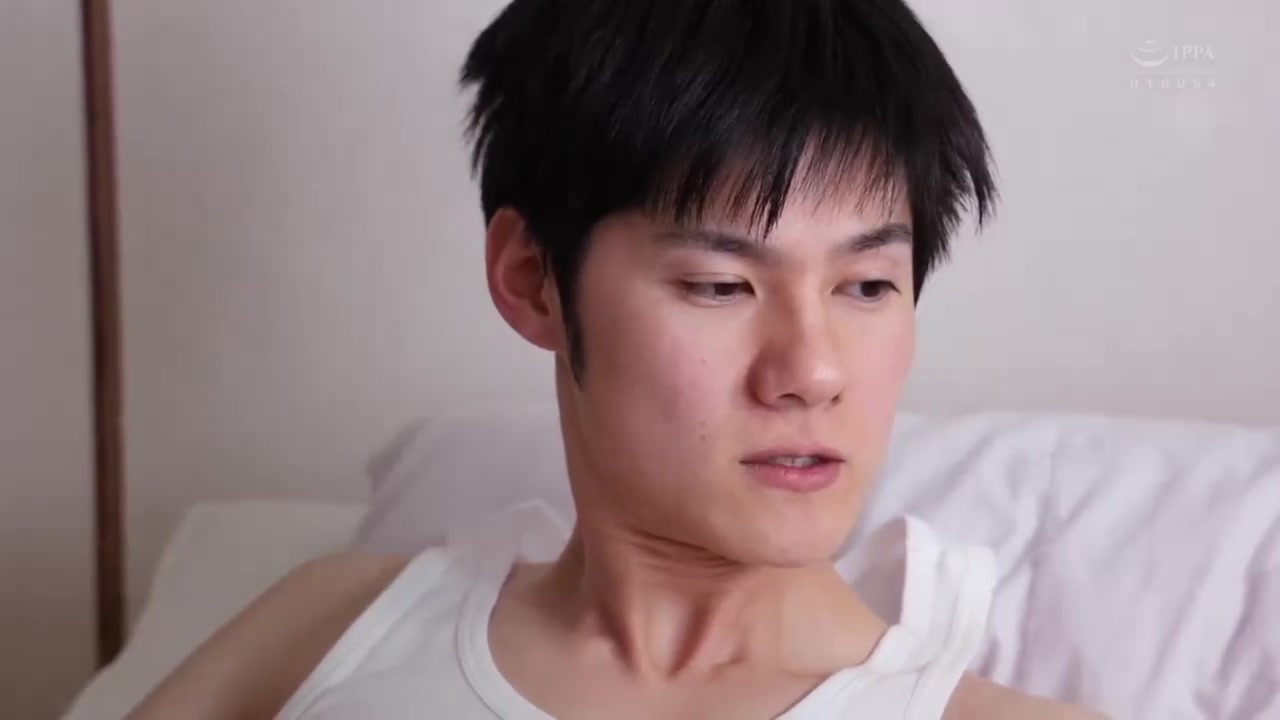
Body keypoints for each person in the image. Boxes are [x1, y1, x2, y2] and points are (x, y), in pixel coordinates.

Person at [131, 0, 1105, 717]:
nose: (813, 371)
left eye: (866, 287)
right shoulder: (335, 627)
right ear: (531, 281)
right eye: (719, 287)